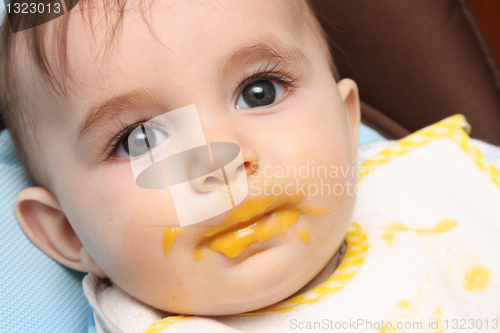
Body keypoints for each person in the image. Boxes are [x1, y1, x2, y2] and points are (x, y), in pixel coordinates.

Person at [1, 1, 499, 332]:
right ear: (68, 232)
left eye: (260, 91)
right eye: (141, 140)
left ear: (348, 126)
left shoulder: (442, 182)